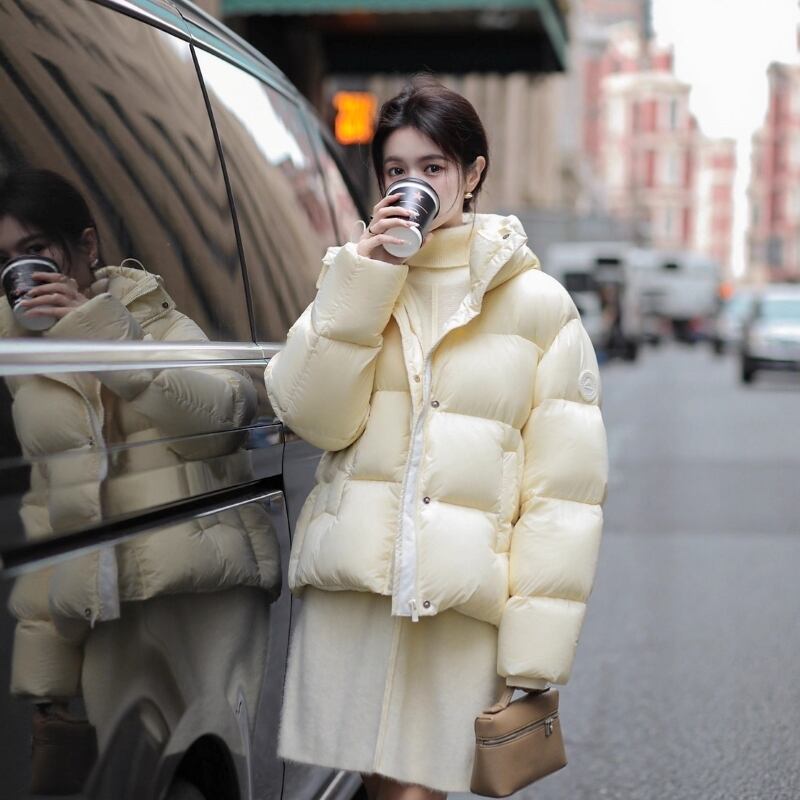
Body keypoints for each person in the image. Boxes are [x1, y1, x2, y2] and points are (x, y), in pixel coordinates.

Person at [266, 79, 608, 800]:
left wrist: (533, 663)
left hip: (454, 614)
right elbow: (314, 417)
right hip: (355, 603)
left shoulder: (538, 305)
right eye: (396, 170)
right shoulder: (354, 277)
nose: (412, 183)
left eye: (433, 167)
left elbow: (562, 499)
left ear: (472, 174)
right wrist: (366, 277)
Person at [0, 167, 281, 793]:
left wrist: (102, 337)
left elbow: (226, 417)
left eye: (36, 249)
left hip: (203, 595)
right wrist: (47, 680)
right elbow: (46, 511)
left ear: (86, 246)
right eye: (5, 260)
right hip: (109, 613)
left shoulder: (149, 317)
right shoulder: (19, 356)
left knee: (207, 777)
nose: (20, 271)